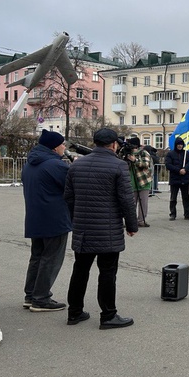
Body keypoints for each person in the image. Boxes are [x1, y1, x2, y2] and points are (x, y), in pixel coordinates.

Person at [65, 128, 138, 329]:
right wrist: (132, 225)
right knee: (107, 272)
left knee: (80, 270)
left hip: (83, 230)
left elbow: (68, 197)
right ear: (114, 144)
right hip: (108, 230)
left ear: (95, 142)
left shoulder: (76, 166)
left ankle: (74, 312)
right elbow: (126, 199)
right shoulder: (118, 166)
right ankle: (108, 315)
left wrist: (77, 218)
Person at [21, 129, 71, 312]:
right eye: (62, 144)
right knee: (51, 258)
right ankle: (41, 298)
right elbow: (71, 187)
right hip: (55, 218)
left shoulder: (29, 164)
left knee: (37, 257)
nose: (64, 147)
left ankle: (30, 295)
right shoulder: (55, 165)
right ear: (55, 147)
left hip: (35, 217)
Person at [125, 137, 153, 228]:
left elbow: (146, 164)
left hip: (143, 182)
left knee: (143, 203)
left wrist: (135, 160)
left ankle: (141, 220)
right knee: (131, 203)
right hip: (131, 182)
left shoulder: (144, 153)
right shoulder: (128, 153)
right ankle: (131, 221)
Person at [165, 137, 189, 220]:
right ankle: (173, 214)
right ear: (176, 145)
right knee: (173, 198)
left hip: (184, 178)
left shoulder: (186, 153)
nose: (180, 146)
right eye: (178, 144)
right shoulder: (170, 154)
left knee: (186, 197)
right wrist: (178, 170)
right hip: (175, 178)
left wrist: (185, 169)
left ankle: (187, 214)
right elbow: (168, 165)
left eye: (181, 144)